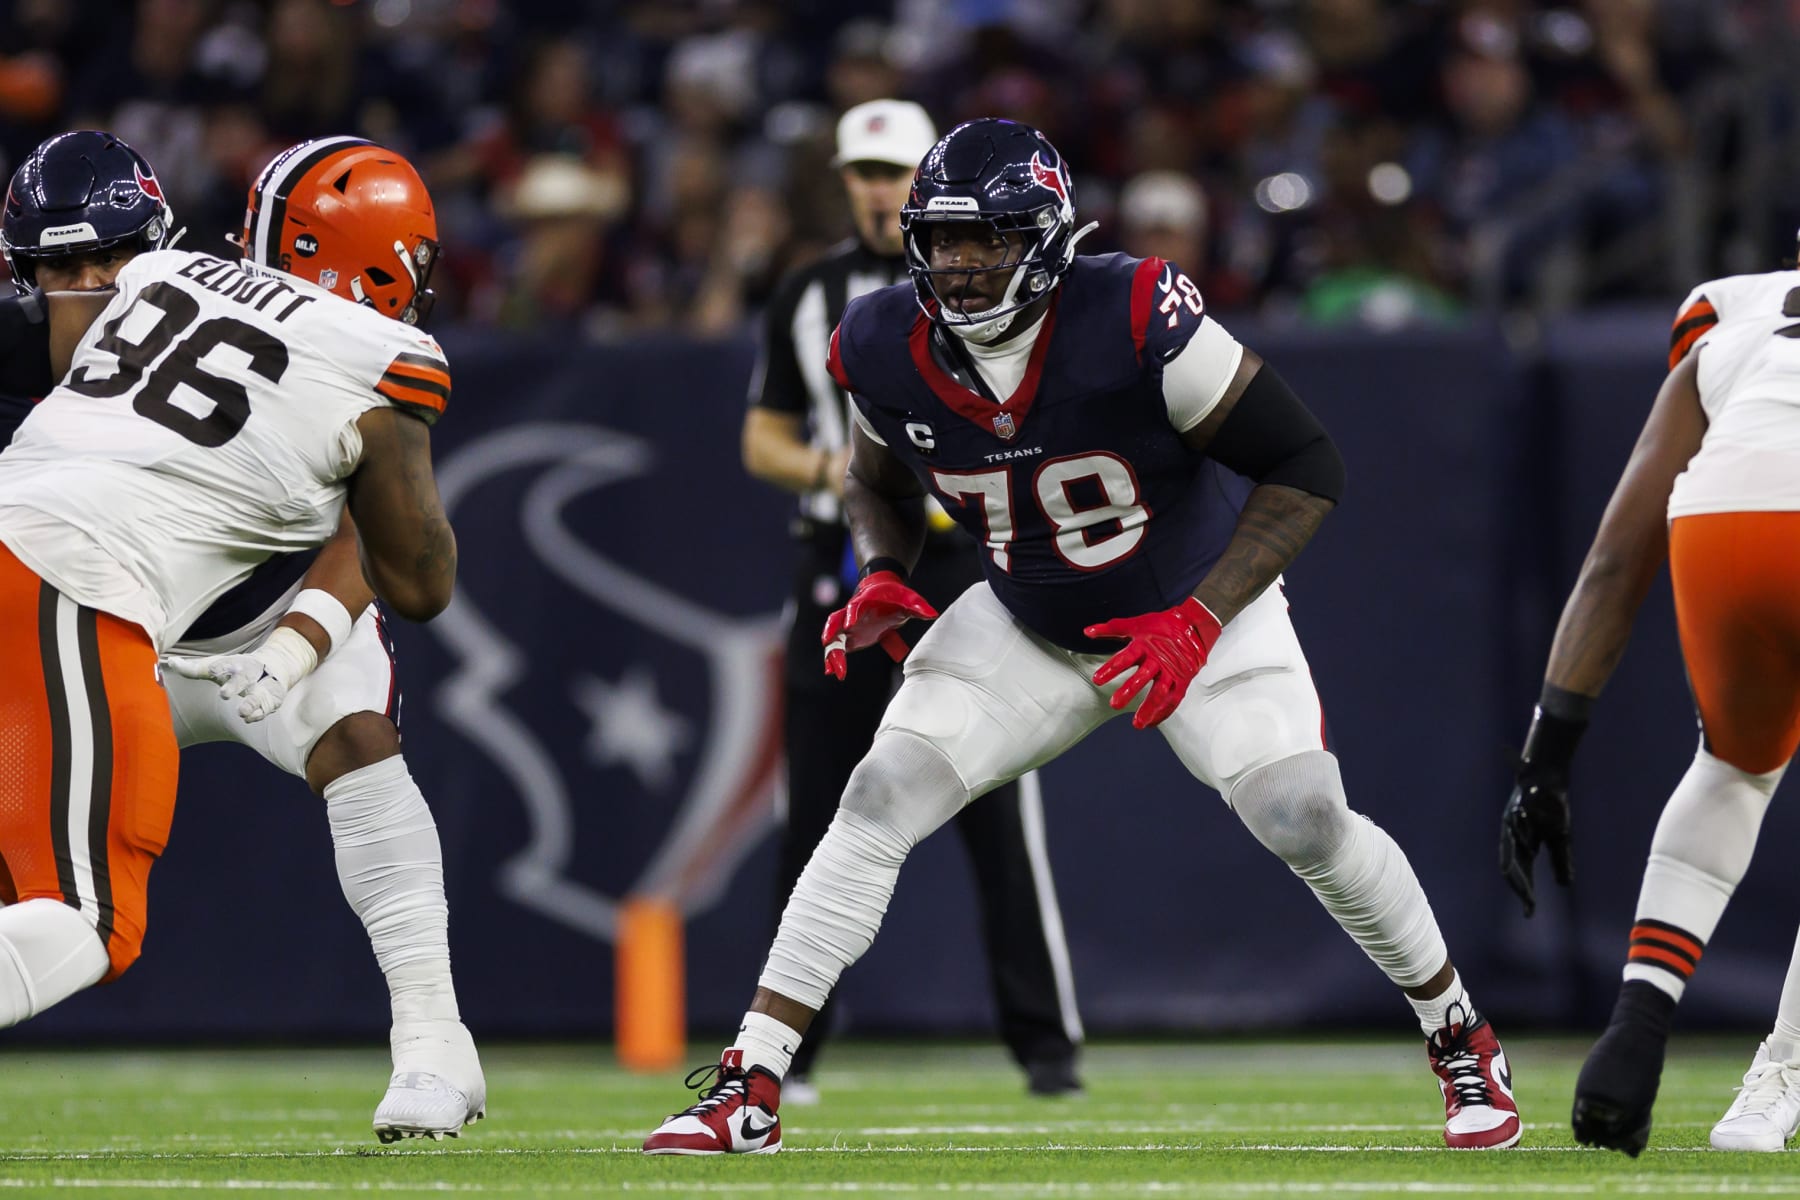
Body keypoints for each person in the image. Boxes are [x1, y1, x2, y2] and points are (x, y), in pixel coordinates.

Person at [643, 118, 1521, 1156]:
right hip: (1031, 618)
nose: (962, 266)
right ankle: (749, 1083)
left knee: (1302, 814)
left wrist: (1196, 622)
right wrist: (884, 569)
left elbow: (1305, 465)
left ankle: (1459, 1033)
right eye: (945, 239)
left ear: (1051, 240)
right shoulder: (880, 340)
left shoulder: (1136, 313)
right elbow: (872, 473)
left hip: (1197, 610)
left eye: (992, 239)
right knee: (878, 795)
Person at [0, 131, 481, 1143]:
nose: (88, 285)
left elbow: (355, 526)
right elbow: (422, 575)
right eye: (62, 270)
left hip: (253, 605)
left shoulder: (170, 277)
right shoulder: (376, 354)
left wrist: (301, 639)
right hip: (102, 605)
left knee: (358, 735)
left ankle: (435, 1044)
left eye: (105, 261)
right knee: (79, 911)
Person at [742, 99, 1083, 1103]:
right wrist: (850, 476)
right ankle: (789, 1049)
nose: (879, 189)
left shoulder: (1008, 281)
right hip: (849, 560)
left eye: (894, 171)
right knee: (819, 805)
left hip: (967, 560)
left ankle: (1046, 1045)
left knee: (998, 809)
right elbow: (761, 439)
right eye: (863, 172)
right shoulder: (811, 295)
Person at [1501, 243, 1800, 1155]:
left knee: (1735, 768)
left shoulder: (1735, 310)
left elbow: (1613, 560)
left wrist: (1544, 762)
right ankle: (1778, 1080)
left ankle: (1636, 1028)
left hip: (1723, 523)